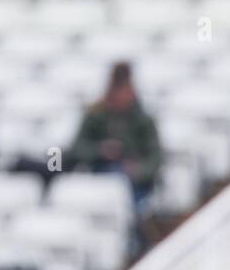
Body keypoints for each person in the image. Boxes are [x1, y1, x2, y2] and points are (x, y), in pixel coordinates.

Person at [69, 62, 162, 210]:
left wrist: (138, 170)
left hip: (136, 185)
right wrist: (100, 150)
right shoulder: (96, 115)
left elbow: (155, 157)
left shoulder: (143, 120)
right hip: (100, 178)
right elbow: (76, 149)